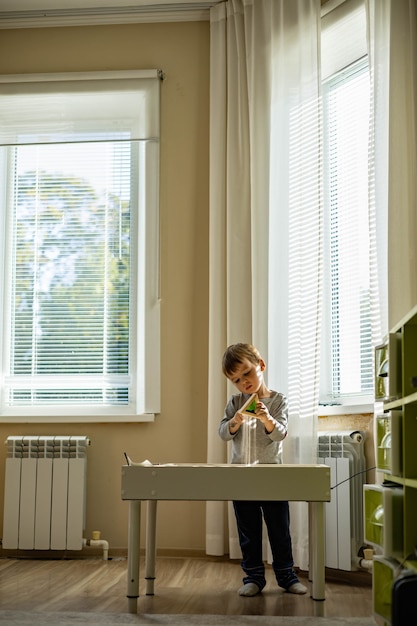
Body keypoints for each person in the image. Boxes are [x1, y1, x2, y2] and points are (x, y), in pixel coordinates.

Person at [218, 342, 307, 597]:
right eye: (236, 379)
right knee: (248, 531)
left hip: (272, 476)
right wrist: (234, 421)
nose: (243, 382)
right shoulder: (235, 402)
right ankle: (254, 577)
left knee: (280, 529)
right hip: (242, 476)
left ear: (261, 366)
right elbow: (222, 433)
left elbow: (280, 435)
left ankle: (286, 576)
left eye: (246, 373)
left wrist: (266, 418)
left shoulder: (279, 401)